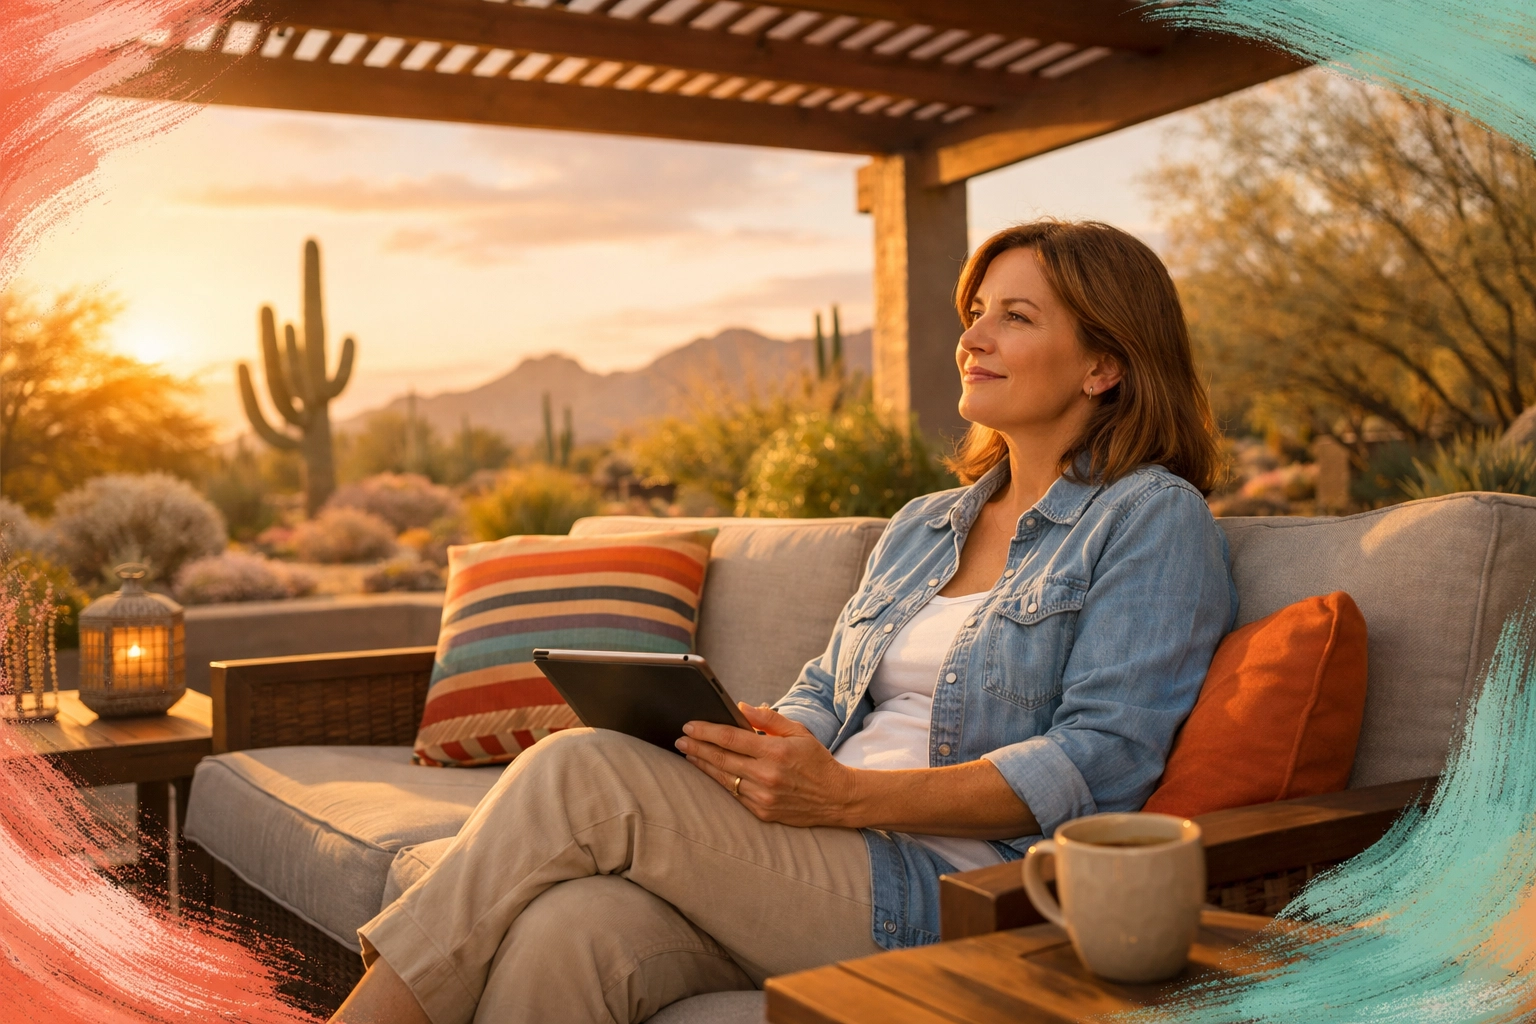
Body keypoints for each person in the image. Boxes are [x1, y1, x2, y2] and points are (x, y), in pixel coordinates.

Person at [330, 220, 1238, 1024]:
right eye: (977, 311)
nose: (972, 337)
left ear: (1103, 364)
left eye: (1016, 316)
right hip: (816, 854)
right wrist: (761, 746)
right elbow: (824, 688)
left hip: (957, 890)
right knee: (571, 931)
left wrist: (847, 797)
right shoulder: (926, 524)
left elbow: (1102, 758)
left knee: (581, 769)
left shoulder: (1149, 517)